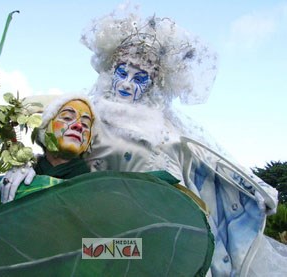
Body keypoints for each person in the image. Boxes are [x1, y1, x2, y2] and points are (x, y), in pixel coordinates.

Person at [79, 6, 285, 276]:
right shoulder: (86, 115)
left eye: (139, 78)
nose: (127, 84)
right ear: (111, 71)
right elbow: (58, 155)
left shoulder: (166, 131)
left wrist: (252, 190)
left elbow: (201, 171)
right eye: (122, 73)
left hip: (163, 239)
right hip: (100, 234)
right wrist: (27, 171)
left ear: (152, 85)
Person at [0, 95, 95, 203]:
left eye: (86, 125)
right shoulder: (28, 169)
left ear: (88, 143)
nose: (78, 126)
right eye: (67, 117)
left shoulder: (95, 182)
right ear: (44, 128)